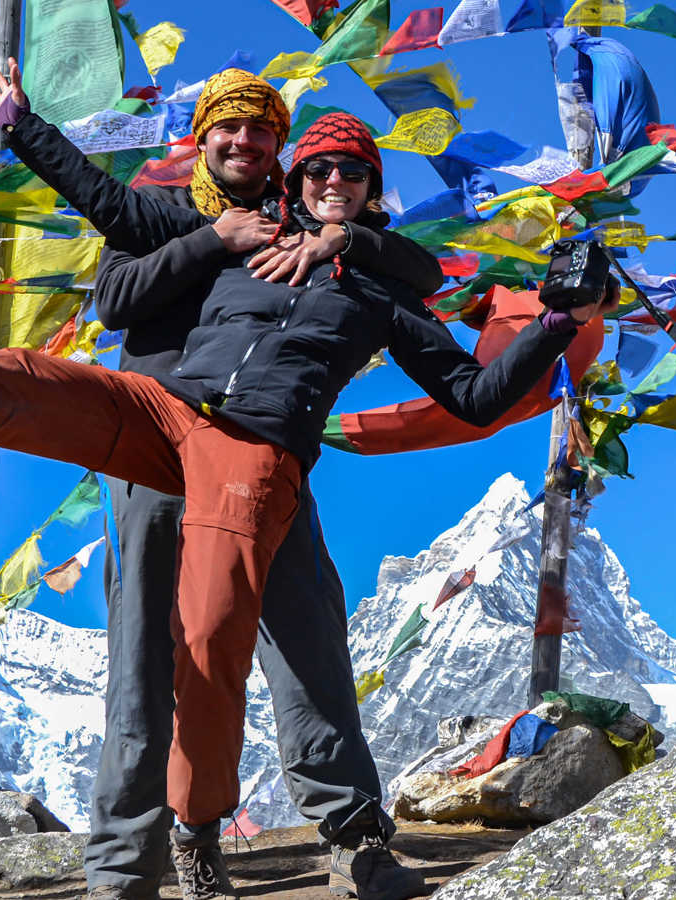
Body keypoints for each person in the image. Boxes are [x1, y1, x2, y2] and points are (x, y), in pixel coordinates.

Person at [0, 84, 611, 900]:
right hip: (161, 412)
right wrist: (27, 129)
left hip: (255, 450)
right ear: (288, 181)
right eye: (318, 166)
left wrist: (564, 319)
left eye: (352, 169)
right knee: (19, 380)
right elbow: (106, 224)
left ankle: (203, 830)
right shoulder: (229, 236)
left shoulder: (384, 286)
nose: (330, 176)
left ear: (371, 190)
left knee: (214, 637)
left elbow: (475, 391)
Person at [39, 68, 441, 900]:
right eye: (229, 129)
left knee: (307, 634)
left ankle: (355, 837)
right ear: (202, 135)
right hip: (153, 445)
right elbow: (114, 300)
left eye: (262, 133)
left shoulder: (301, 221)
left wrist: (343, 241)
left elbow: (414, 266)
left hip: (261, 451)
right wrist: (210, 239)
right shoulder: (154, 209)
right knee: (149, 650)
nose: (244, 144)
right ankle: (132, 867)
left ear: (278, 149)